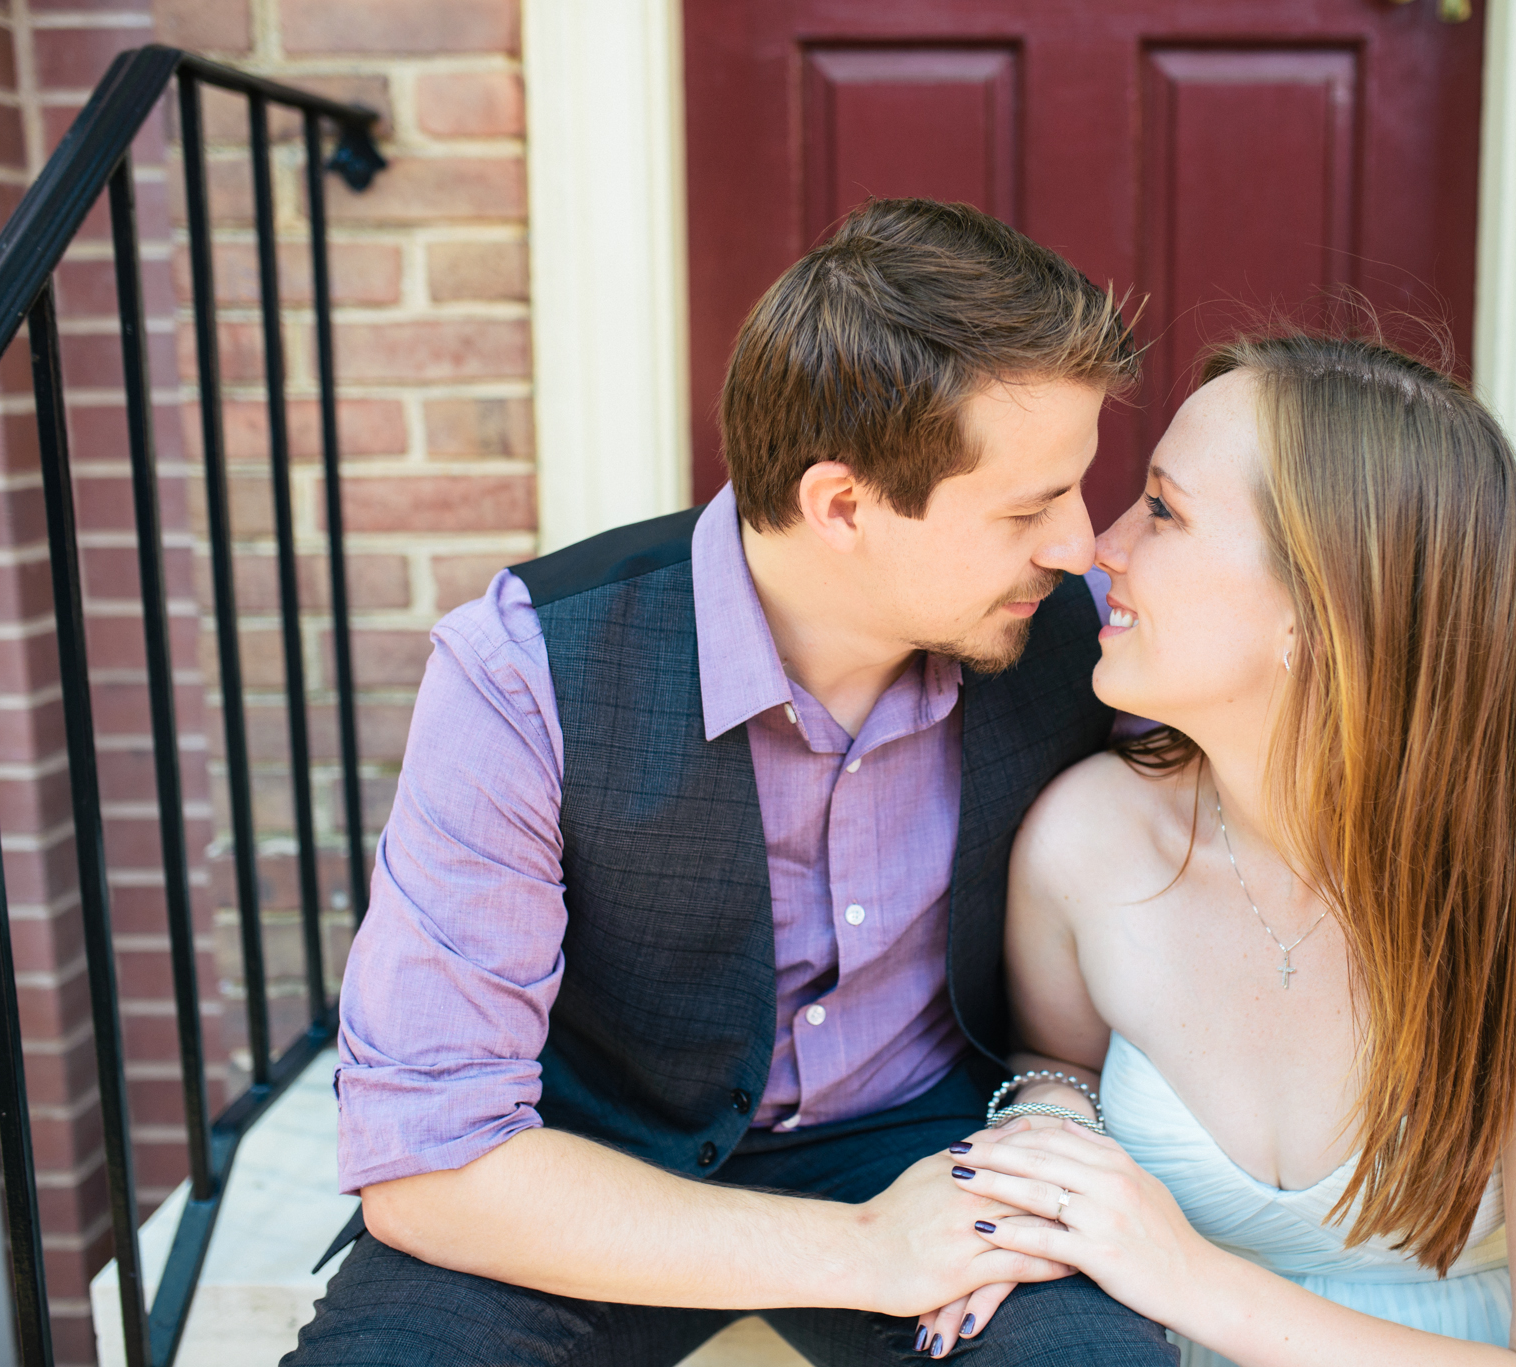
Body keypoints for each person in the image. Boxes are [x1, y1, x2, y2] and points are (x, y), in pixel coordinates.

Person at [283, 199, 1181, 1365]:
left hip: (925, 1142)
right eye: (1026, 507)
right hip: (583, 1160)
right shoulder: (523, 672)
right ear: (842, 503)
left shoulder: (1083, 635)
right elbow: (431, 1157)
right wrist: (862, 1249)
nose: (1078, 545)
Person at [922, 335, 1516, 1366]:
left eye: (1164, 510)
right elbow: (1059, 1060)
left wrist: (1186, 1274)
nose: (1100, 545)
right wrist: (1046, 1148)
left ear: (1316, 610)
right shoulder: (1084, 840)